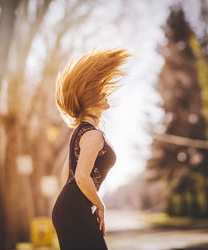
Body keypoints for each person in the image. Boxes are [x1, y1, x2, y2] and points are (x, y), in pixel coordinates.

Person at [51, 47, 132, 250]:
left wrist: (78, 203)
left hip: (66, 208)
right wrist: (100, 205)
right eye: (98, 92)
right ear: (88, 104)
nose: (105, 93)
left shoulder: (79, 133)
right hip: (74, 209)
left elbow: (65, 177)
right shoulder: (94, 135)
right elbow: (80, 177)